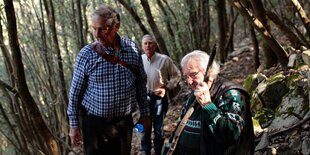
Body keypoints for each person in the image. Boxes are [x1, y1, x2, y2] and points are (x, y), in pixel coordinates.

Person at [67, 5, 150, 155]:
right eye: (94, 29)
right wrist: (73, 126)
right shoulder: (86, 55)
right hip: (94, 124)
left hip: (123, 124)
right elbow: (75, 93)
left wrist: (145, 114)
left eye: (102, 29)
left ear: (116, 27)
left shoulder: (132, 50)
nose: (97, 34)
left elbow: (140, 84)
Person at [163, 50, 254, 155]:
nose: (189, 82)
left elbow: (231, 135)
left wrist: (208, 105)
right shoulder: (194, 94)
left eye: (193, 74)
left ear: (209, 71)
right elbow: (180, 127)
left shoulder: (231, 94)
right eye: (186, 76)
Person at [140, 34, 181, 155]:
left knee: (158, 128)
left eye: (150, 43)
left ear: (155, 45)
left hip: (159, 98)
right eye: (145, 43)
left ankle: (158, 152)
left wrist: (167, 88)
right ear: (142, 46)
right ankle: (145, 151)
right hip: (144, 98)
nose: (148, 45)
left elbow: (177, 74)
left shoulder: (164, 59)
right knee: (144, 127)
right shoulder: (139, 60)